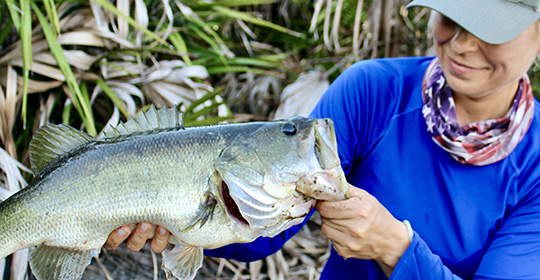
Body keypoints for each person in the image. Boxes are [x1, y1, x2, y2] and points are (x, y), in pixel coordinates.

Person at [105, 0, 540, 278]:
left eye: (489, 29)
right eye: (452, 18)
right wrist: (181, 217)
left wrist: (395, 247)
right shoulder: (373, 91)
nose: (462, 45)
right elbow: (264, 235)